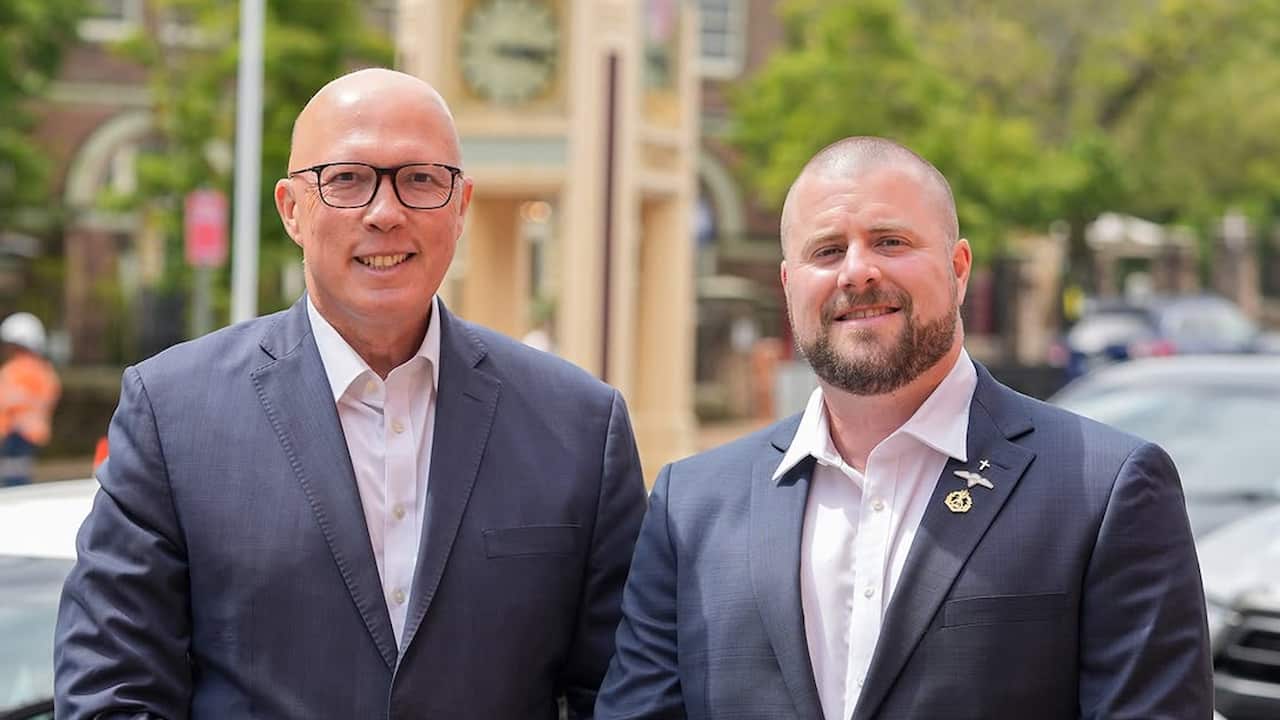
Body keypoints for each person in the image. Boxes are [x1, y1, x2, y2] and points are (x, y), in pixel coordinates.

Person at [56, 68, 647, 719]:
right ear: (291, 208)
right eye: (346, 179)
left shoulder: (579, 427)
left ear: (460, 206)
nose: (385, 212)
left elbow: (620, 696)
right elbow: (114, 689)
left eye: (420, 179)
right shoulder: (173, 416)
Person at [595, 137, 1211, 719]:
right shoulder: (689, 508)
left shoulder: (1104, 490)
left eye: (890, 242)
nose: (857, 272)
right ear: (788, 285)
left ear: (958, 268)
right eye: (826, 251)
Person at [0, 312, 61, 486]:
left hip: (16, 435)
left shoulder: (16, 370)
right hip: (29, 436)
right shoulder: (44, 371)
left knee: (14, 486)